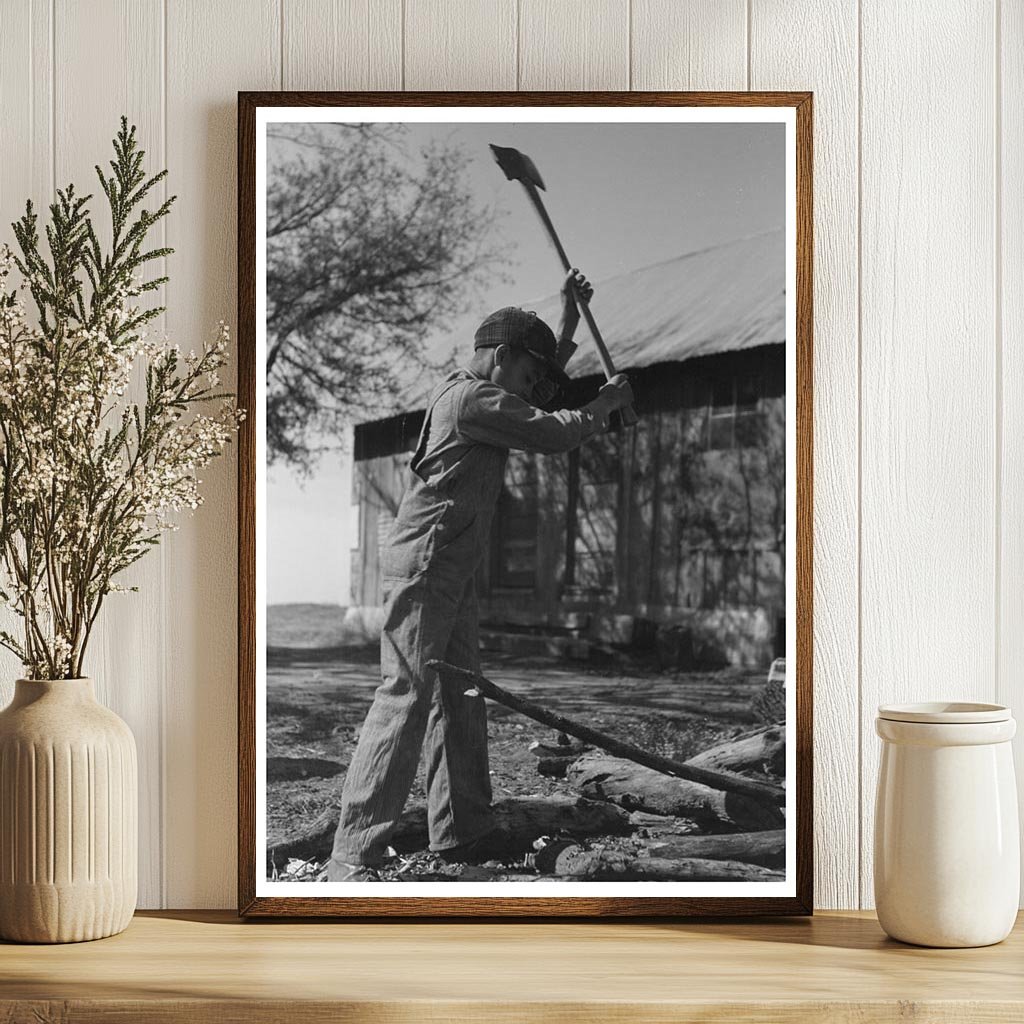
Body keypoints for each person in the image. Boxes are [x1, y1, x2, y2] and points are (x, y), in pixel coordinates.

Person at [327, 269, 635, 881]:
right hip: (427, 562)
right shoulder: (472, 399)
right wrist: (603, 405)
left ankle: (463, 831)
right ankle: (352, 852)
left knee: (459, 696)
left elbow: (537, 398)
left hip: (453, 565)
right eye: (526, 373)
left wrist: (569, 320)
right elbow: (547, 427)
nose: (535, 388)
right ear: (499, 358)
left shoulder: (487, 394)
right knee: (407, 694)